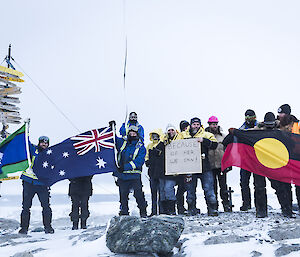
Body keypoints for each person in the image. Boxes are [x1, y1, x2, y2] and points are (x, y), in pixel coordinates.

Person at [181, 117, 219, 216]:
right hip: (189, 167)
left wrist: (204, 141)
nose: (196, 126)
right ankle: (191, 208)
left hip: (205, 166)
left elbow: (215, 144)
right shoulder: (183, 135)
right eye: (194, 124)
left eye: (198, 124)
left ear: (200, 125)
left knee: (208, 189)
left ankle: (212, 209)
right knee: (190, 189)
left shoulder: (206, 134)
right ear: (191, 125)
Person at [19, 136, 54, 234]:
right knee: (26, 206)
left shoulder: (49, 154)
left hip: (42, 184)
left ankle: (48, 227)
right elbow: (25, 142)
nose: (44, 144)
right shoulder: (33, 149)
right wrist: (27, 130)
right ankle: (24, 228)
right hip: (28, 182)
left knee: (46, 206)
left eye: (46, 143)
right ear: (39, 143)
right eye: (42, 143)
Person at [111, 122, 148, 217]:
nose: (132, 134)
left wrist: (125, 167)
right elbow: (112, 139)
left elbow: (139, 161)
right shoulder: (123, 143)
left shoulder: (141, 147)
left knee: (139, 195)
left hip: (134, 175)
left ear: (137, 133)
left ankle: (143, 212)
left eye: (134, 132)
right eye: (130, 132)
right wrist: (112, 128)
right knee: (123, 196)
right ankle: (124, 213)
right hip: (122, 176)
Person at [205, 116, 231, 212]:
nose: (214, 126)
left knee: (223, 186)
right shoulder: (205, 136)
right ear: (209, 124)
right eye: (212, 124)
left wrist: (229, 164)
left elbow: (228, 151)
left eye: (215, 124)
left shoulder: (223, 136)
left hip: (221, 165)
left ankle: (226, 205)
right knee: (212, 186)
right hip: (210, 166)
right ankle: (214, 206)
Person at [158, 124, 180, 215]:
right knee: (162, 190)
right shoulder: (162, 141)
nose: (171, 132)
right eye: (169, 130)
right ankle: (164, 210)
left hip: (173, 170)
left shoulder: (179, 140)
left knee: (168, 188)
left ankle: (172, 209)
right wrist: (163, 143)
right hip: (162, 170)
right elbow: (156, 151)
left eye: (172, 130)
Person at [239, 109, 258, 211]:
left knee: (258, 183)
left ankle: (258, 204)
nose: (248, 119)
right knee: (244, 183)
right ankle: (246, 204)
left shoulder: (260, 127)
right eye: (247, 117)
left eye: (250, 117)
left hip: (257, 160)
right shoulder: (241, 129)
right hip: (245, 160)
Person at [145, 129, 164, 216]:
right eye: (153, 135)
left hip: (160, 172)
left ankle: (161, 211)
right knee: (153, 193)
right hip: (152, 172)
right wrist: (147, 161)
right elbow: (146, 156)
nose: (155, 136)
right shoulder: (149, 145)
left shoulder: (163, 145)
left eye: (156, 135)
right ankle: (153, 211)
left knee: (161, 192)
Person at [176, 120, 190, 214]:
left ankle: (190, 206)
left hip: (190, 166)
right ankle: (180, 207)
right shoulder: (178, 137)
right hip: (181, 167)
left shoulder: (190, 137)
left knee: (189, 188)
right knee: (181, 189)